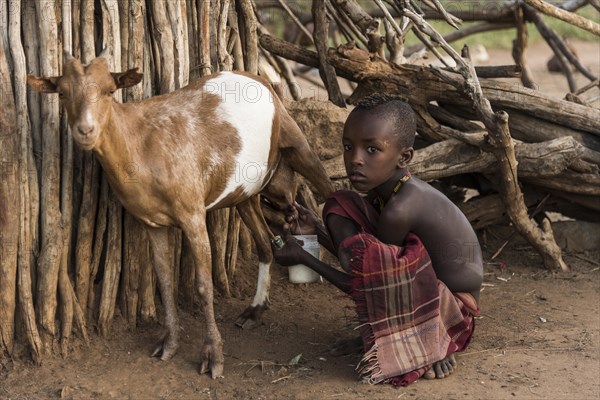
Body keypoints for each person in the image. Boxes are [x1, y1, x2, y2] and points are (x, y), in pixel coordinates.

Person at [272, 94, 483, 387]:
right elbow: (366, 265)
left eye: (372, 149)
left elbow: (370, 282)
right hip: (424, 281)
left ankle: (432, 340)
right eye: (349, 147)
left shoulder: (400, 208)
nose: (356, 159)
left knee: (348, 217)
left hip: (452, 308)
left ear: (404, 157)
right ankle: (402, 333)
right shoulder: (386, 193)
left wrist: (304, 257)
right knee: (340, 205)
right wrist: (317, 230)